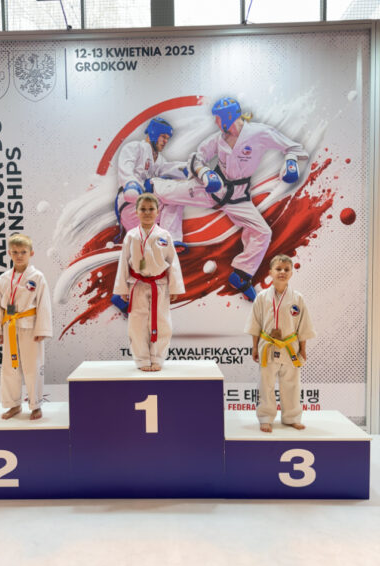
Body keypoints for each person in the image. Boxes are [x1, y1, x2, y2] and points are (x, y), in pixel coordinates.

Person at [147, 97, 309, 301]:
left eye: (218, 118)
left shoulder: (259, 133)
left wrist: (290, 162)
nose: (216, 122)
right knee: (168, 193)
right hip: (212, 189)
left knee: (263, 232)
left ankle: (241, 275)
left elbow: (293, 148)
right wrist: (205, 173)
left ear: (228, 117)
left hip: (238, 197)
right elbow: (196, 158)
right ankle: (151, 185)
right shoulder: (218, 139)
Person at [112, 116, 187, 314]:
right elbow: (126, 169)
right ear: (153, 134)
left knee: (176, 196)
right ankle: (168, 241)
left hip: (149, 207)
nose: (165, 141)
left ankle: (171, 240)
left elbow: (172, 169)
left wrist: (193, 169)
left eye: (167, 138)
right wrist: (132, 184)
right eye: (163, 137)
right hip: (130, 204)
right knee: (143, 249)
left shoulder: (159, 160)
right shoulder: (134, 148)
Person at [113, 193, 185, 371]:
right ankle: (142, 359)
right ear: (136, 212)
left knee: (162, 322)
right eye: (143, 209)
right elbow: (123, 263)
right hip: (137, 284)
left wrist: (175, 287)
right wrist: (122, 289)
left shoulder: (164, 235)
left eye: (151, 209)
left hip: (159, 285)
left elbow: (173, 262)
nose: (147, 212)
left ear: (158, 212)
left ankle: (158, 358)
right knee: (137, 323)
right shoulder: (131, 236)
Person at [245, 254, 316, 433]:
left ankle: (292, 417)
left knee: (292, 383)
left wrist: (303, 349)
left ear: (291, 273)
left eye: (286, 269)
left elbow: (303, 326)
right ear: (270, 272)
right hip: (267, 346)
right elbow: (255, 324)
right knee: (266, 383)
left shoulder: (297, 298)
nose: (282, 272)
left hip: (290, 347)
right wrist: (254, 347)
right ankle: (265, 417)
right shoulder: (262, 297)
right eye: (278, 269)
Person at [0, 233, 53, 420]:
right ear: (9, 253)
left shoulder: (37, 277)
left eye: (23, 252)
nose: (19, 256)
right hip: (9, 326)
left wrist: (42, 330)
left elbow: (44, 304)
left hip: (30, 327)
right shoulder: (3, 279)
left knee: (33, 367)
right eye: (15, 252)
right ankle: (13, 404)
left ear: (31, 253)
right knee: (10, 368)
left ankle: (35, 405)